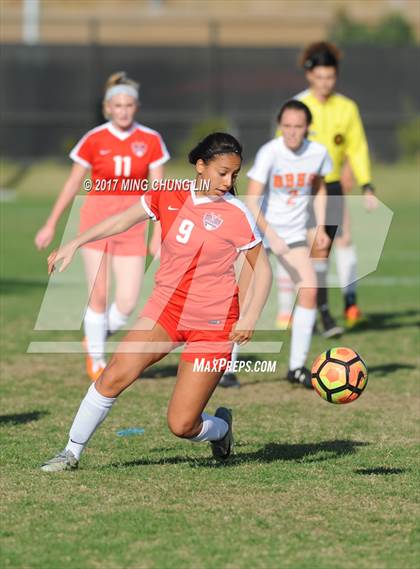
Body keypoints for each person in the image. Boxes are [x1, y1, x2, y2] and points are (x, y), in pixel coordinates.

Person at [40, 133, 272, 472]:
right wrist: (75, 242)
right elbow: (122, 219)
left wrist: (249, 317)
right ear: (200, 166)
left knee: (182, 425)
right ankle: (71, 452)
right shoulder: (168, 194)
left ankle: (220, 430)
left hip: (213, 324)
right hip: (167, 309)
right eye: (222, 172)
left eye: (234, 175)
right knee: (115, 374)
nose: (228, 181)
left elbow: (262, 271)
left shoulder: (237, 213)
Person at [35, 72, 169, 380]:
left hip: (133, 226)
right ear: (108, 108)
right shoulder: (94, 139)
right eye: (117, 105)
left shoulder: (150, 139)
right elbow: (73, 182)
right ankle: (96, 359)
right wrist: (51, 223)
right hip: (95, 223)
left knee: (128, 301)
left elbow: (158, 190)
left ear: (136, 107)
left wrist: (159, 234)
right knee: (99, 293)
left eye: (129, 105)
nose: (123, 111)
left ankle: (93, 337)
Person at [276, 42, 378, 335]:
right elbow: (279, 149)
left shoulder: (346, 108)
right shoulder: (297, 107)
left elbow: (357, 148)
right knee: (297, 247)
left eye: (330, 77)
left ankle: (346, 305)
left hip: (331, 188)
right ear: (309, 75)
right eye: (319, 77)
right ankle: (292, 310)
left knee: (327, 247)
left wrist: (366, 184)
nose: (325, 83)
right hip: (300, 189)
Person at [246, 100, 331, 387]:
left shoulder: (318, 153)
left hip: (294, 234)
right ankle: (228, 366)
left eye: (298, 127)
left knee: (309, 290)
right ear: (279, 126)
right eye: (287, 126)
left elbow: (319, 188)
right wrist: (271, 236)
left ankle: (296, 368)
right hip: (259, 233)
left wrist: (320, 225)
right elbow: (251, 199)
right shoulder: (270, 152)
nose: (292, 133)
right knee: (244, 297)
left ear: (307, 127)